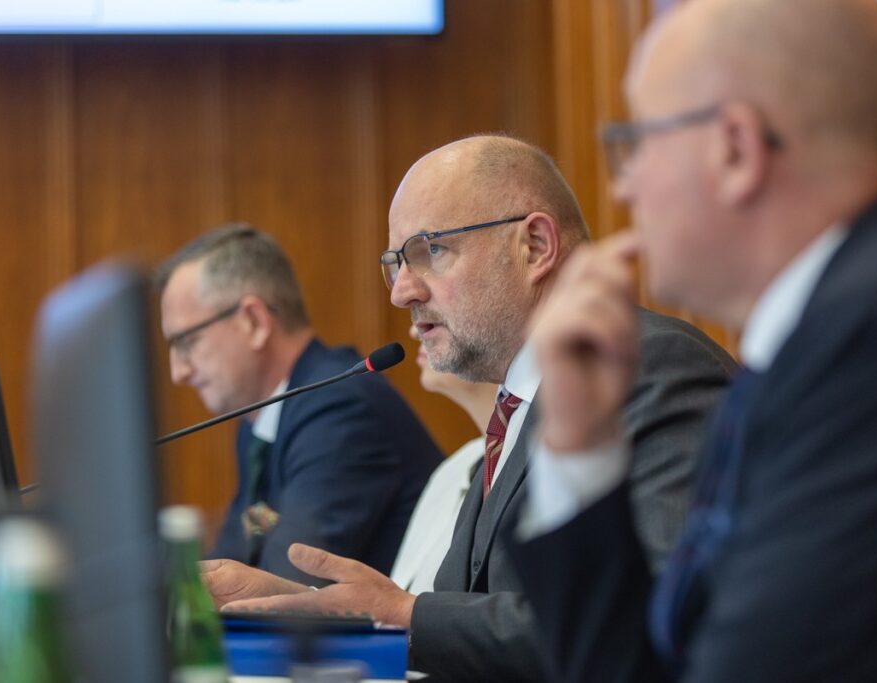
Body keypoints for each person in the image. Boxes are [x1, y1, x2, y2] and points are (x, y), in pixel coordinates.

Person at [511, 0, 877, 681]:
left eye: (637, 142)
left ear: (737, 150)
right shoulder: (827, 338)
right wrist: (581, 448)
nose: (622, 187)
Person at [199, 136, 737, 681]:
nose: (402, 292)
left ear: (535, 246)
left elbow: (653, 617)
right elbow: (465, 627)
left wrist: (404, 615)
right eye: (396, 263)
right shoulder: (513, 410)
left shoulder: (649, 367)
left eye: (429, 250)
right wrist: (306, 610)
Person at [156, 224, 442, 584]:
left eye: (187, 342)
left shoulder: (339, 410)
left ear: (253, 322)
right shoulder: (259, 422)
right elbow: (235, 554)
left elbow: (286, 585)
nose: (178, 373)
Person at [389, 325, 496, 595]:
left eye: (439, 320)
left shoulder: (546, 466)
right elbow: (398, 601)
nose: (414, 331)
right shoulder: (454, 468)